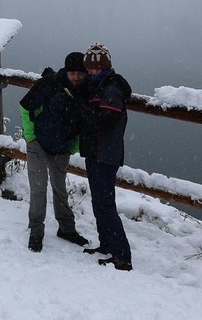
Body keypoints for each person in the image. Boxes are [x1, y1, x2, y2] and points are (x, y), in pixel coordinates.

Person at [18, 51, 93, 252]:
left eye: (80, 73)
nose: (76, 77)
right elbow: (25, 107)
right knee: (39, 188)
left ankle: (67, 229)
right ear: (66, 71)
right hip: (38, 143)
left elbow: (84, 123)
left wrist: (73, 146)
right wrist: (30, 137)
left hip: (62, 147)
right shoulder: (50, 83)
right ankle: (36, 231)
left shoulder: (87, 91)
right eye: (72, 73)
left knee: (60, 188)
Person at [79, 43, 134, 270]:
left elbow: (105, 120)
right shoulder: (98, 86)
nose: (89, 72)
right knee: (99, 202)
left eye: (92, 68)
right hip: (96, 152)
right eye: (88, 69)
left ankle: (122, 256)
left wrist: (82, 109)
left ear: (103, 67)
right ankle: (106, 244)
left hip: (105, 154)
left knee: (105, 205)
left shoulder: (111, 89)